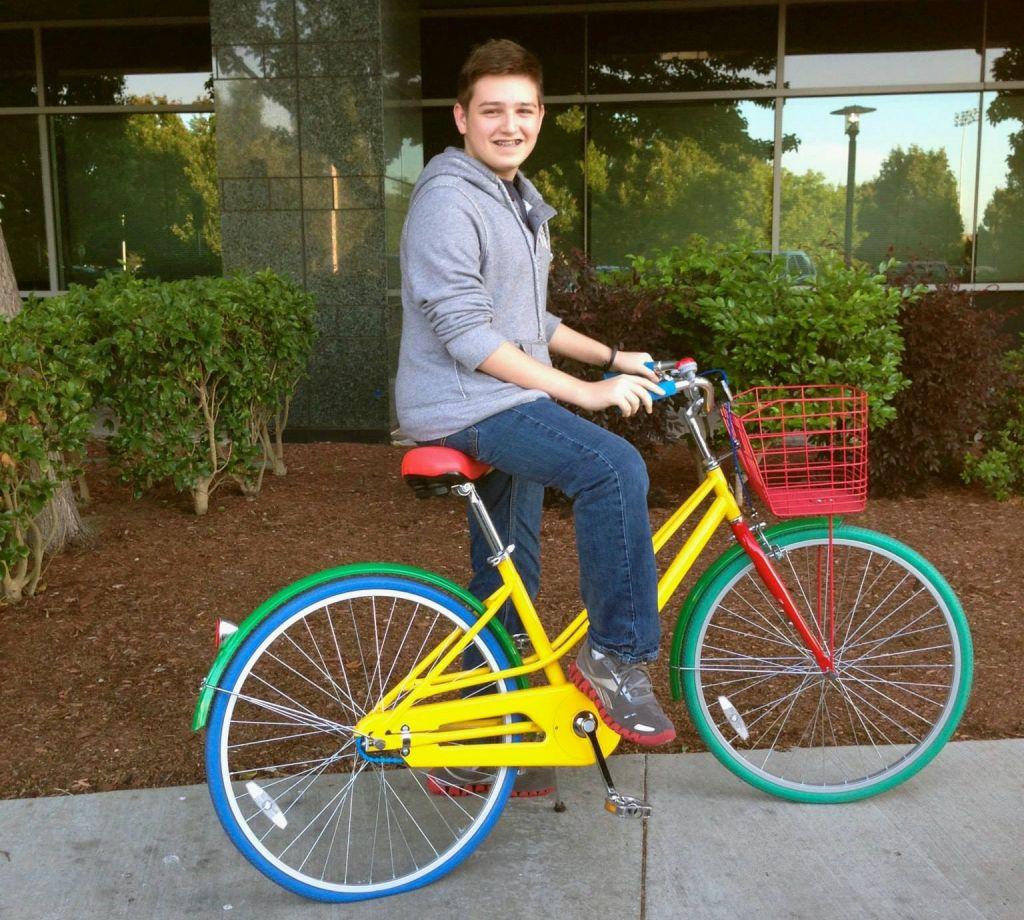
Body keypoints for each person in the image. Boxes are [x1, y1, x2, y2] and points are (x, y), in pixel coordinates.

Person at [395, 39, 675, 796]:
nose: (509, 124)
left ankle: (488, 741)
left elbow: (530, 320)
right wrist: (578, 394)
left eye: (523, 110)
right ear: (461, 117)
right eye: (492, 111)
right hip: (466, 405)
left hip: (498, 398)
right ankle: (615, 657)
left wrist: (615, 358)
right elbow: (469, 333)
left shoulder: (515, 197)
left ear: (541, 117)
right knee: (614, 468)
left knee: (508, 573)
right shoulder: (450, 200)